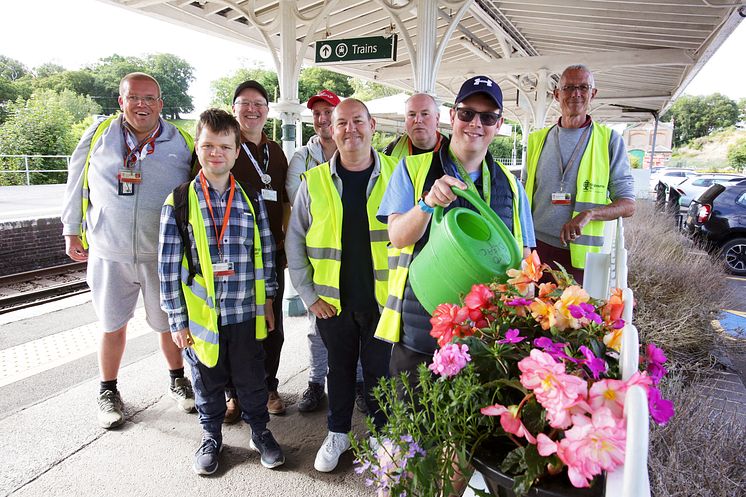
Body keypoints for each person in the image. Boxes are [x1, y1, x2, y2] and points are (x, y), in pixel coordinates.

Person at [375, 75, 535, 382]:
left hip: (484, 338)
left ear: (498, 125)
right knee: (412, 425)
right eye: (467, 113)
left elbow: (524, 259)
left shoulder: (513, 187)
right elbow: (396, 236)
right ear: (452, 117)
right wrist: (426, 204)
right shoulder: (411, 169)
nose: (476, 123)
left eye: (487, 117)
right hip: (420, 329)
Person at [61, 72, 195, 429]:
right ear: (121, 101)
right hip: (109, 251)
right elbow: (76, 182)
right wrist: (71, 228)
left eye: (150, 98)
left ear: (161, 104)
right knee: (111, 325)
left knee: (168, 324)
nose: (142, 104)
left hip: (160, 255)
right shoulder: (98, 136)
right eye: (134, 97)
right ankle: (108, 391)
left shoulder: (181, 141)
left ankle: (178, 380)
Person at [158, 108, 284, 475]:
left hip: (246, 312)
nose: (217, 153)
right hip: (202, 320)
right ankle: (211, 437)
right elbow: (167, 268)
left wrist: (270, 300)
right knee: (207, 382)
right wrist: (177, 321)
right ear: (196, 147)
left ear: (235, 149)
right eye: (208, 145)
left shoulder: (250, 200)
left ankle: (260, 433)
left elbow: (265, 253)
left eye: (225, 147)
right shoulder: (179, 202)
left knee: (252, 379)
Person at [286, 98, 397, 473]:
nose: (351, 129)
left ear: (373, 125)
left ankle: (384, 435)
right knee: (340, 370)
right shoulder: (313, 181)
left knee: (381, 373)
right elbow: (295, 240)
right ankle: (338, 433)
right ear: (331, 131)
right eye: (342, 123)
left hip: (382, 301)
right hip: (333, 303)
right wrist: (309, 295)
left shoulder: (398, 175)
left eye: (358, 121)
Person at [193, 80, 289, 420]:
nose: (252, 109)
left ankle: (269, 386)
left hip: (268, 253)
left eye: (259, 103)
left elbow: (286, 199)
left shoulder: (275, 152)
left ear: (267, 110)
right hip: (225, 258)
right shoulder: (217, 148)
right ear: (234, 110)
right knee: (231, 328)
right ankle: (234, 394)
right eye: (244, 103)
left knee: (270, 324)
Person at [286, 89, 367, 414]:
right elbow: (300, 206)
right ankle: (315, 382)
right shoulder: (303, 161)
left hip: (360, 274)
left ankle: (359, 384)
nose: (322, 119)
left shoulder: (370, 161)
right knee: (316, 332)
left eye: (327, 112)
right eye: (317, 114)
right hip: (323, 274)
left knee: (361, 335)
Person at [522, 64, 635, 283]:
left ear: (593, 94)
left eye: (583, 87)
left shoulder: (609, 141)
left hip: (582, 259)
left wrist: (589, 214)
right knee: (534, 315)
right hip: (536, 249)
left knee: (572, 317)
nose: (576, 93)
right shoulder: (537, 140)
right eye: (568, 88)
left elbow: (628, 204)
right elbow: (524, 195)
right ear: (556, 94)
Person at [382, 93, 449, 160]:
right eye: (412, 114)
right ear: (405, 120)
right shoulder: (391, 151)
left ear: (437, 119)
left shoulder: (453, 149)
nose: (417, 120)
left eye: (425, 114)